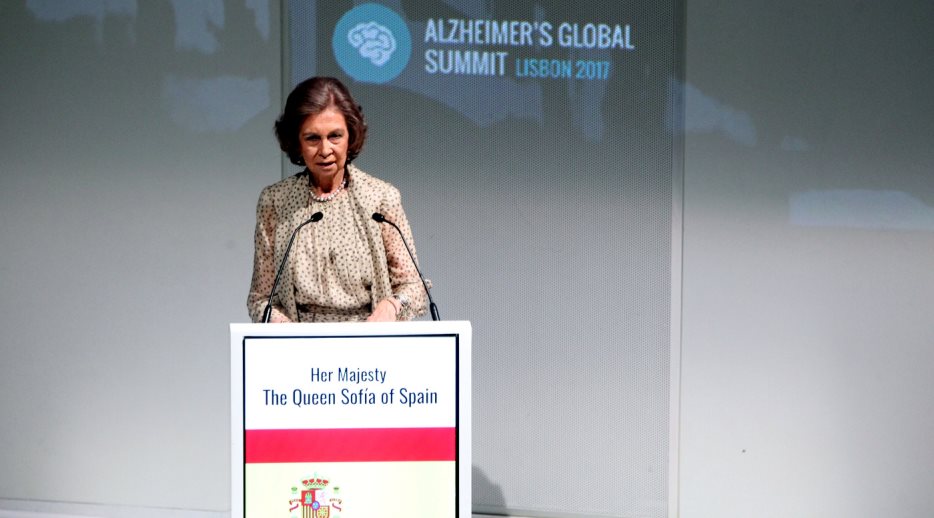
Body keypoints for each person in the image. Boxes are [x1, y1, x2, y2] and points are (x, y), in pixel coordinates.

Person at [247, 77, 427, 323]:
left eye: (335, 136)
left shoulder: (381, 198)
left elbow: (413, 287)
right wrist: (287, 332)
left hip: (370, 346)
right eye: (312, 138)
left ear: (351, 136)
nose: (325, 150)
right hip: (299, 348)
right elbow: (260, 299)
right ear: (296, 142)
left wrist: (393, 306)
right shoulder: (275, 202)